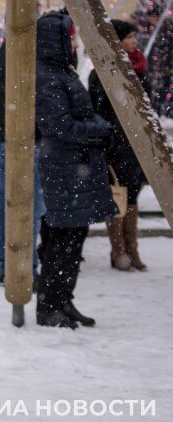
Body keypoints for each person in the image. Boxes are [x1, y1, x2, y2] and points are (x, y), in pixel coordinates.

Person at [35, 11, 117, 329]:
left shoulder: (61, 73)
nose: (75, 42)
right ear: (55, 42)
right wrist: (98, 129)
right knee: (62, 241)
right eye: (70, 37)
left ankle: (62, 300)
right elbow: (60, 126)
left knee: (72, 240)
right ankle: (51, 305)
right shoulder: (49, 77)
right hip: (64, 170)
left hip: (73, 168)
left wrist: (94, 127)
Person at [89, 19, 150, 272]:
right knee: (117, 195)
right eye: (129, 37)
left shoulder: (141, 68)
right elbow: (97, 110)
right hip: (115, 144)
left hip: (137, 142)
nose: (134, 41)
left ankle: (132, 248)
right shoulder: (101, 72)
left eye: (135, 37)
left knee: (133, 194)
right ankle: (119, 250)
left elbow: (148, 105)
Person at [0, 43, 45, 288]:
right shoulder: (24, 52)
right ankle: (21, 266)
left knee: (10, 201)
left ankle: (11, 264)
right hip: (19, 138)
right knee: (27, 205)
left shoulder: (5, 53)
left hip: (6, 135)